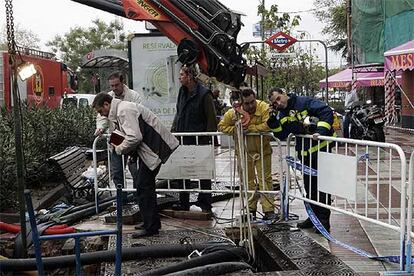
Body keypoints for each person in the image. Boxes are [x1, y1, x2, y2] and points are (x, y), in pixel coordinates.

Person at [92, 92, 179, 238]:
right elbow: (126, 133)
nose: (102, 114)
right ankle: (150, 223)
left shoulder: (123, 110)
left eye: (101, 111)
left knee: (144, 187)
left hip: (154, 149)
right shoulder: (120, 110)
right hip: (152, 150)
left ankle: (151, 227)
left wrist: (119, 149)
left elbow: (134, 136)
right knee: (144, 186)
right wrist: (115, 144)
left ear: (107, 105)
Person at [267, 88, 335, 233]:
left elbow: (326, 111)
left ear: (284, 93)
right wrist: (273, 122)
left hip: (321, 150)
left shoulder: (304, 102)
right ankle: (313, 217)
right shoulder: (282, 113)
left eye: (279, 98)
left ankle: (323, 221)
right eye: (275, 102)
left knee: (322, 187)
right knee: (309, 187)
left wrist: (321, 132)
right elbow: (282, 135)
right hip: (305, 153)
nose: (278, 103)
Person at [218, 88, 276, 220]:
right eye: (247, 104)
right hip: (244, 152)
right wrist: (236, 128)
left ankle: (269, 210)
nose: (250, 106)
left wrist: (250, 129)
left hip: (263, 150)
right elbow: (221, 126)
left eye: (252, 102)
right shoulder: (233, 112)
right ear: (241, 103)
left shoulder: (264, 108)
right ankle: (251, 209)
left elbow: (268, 124)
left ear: (255, 98)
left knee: (265, 180)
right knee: (247, 181)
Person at [171, 64, 217, 213]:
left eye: (182, 75)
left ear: (190, 76)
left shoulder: (204, 94)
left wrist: (208, 139)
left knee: (203, 172)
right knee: (182, 172)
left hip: (200, 139)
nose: (179, 78)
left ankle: (205, 203)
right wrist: (174, 130)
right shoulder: (182, 92)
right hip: (183, 138)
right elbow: (179, 112)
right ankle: (183, 202)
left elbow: (211, 119)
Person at [95, 72, 144, 204]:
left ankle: (137, 198)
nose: (114, 88)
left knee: (135, 170)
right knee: (117, 170)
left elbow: (140, 115)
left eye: (117, 85)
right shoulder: (108, 97)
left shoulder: (134, 96)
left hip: (131, 136)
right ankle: (121, 199)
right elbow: (102, 116)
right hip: (116, 135)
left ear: (123, 83)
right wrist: (100, 127)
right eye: (112, 86)